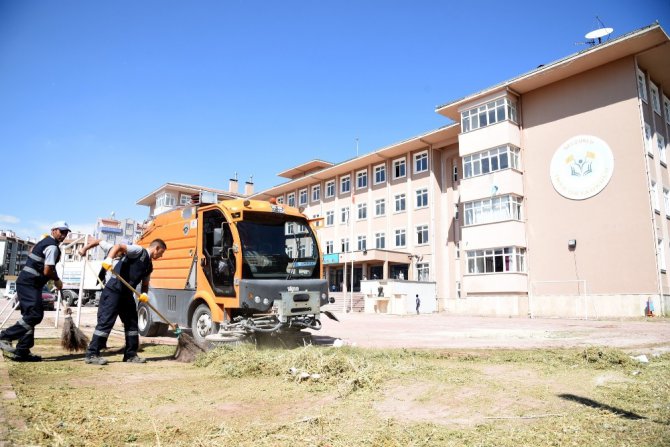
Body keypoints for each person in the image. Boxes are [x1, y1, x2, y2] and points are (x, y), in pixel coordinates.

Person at [84, 239, 167, 365]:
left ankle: (130, 355)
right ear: (156, 248)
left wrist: (144, 294)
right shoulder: (139, 251)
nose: (161, 256)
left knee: (132, 323)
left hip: (127, 294)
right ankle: (92, 354)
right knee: (106, 321)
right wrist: (109, 260)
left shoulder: (149, 266)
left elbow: (145, 283)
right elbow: (118, 246)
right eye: (161, 252)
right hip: (114, 290)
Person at [0, 221, 70, 362]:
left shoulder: (44, 242)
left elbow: (39, 259)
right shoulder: (52, 246)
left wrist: (54, 276)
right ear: (54, 230)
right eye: (61, 231)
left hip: (29, 283)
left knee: (29, 317)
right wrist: (56, 279)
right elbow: (47, 270)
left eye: (66, 232)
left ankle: (22, 351)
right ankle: (5, 336)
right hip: (29, 283)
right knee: (35, 315)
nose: (63, 235)